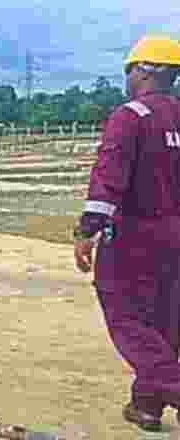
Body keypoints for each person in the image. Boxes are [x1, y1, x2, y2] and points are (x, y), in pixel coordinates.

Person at [72, 34, 180, 432]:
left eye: (129, 72)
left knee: (127, 319)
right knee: (165, 322)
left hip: (135, 240)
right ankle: (146, 406)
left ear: (144, 71)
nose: (128, 80)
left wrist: (87, 231)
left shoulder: (130, 117)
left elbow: (108, 180)